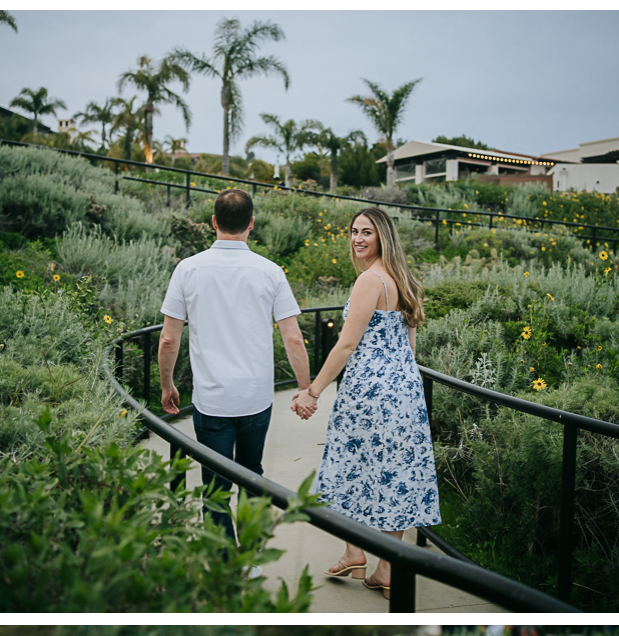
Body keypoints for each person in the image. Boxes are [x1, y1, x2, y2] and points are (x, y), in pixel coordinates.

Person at [291, 206, 441, 599]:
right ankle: (380, 565)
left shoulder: (369, 281)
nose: (358, 239)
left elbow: (346, 344)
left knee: (350, 464)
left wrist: (313, 391)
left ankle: (355, 550)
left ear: (382, 238)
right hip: (405, 391)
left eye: (366, 233)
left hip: (368, 392)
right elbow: (409, 347)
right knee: (393, 473)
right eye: (354, 231)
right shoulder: (404, 280)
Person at [157, 188, 311, 543]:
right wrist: (304, 389)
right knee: (252, 474)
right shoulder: (270, 272)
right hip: (256, 398)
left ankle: (223, 561)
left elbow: (168, 339)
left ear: (213, 222)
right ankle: (251, 556)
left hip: (211, 401)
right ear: (251, 224)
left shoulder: (187, 269)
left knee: (214, 484)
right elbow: (293, 339)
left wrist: (167, 386)